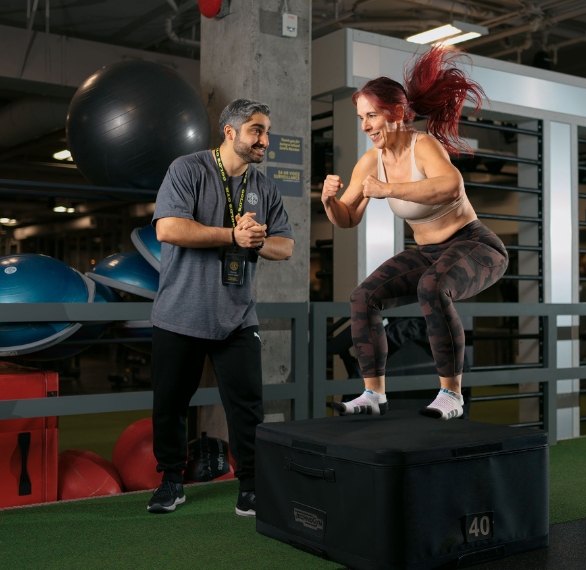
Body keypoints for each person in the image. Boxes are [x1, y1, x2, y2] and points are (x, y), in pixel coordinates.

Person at [322, 47, 508, 420]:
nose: (366, 126)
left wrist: (388, 190)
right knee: (363, 297)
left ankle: (451, 395)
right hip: (427, 252)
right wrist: (329, 202)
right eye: (361, 118)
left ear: (395, 113)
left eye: (371, 116)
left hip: (475, 245)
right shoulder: (369, 162)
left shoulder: (423, 146)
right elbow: (348, 218)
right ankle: (374, 393)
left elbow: (451, 187)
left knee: (432, 287)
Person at [147, 99, 295, 515]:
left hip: (237, 316)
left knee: (248, 406)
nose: (265, 139)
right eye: (256, 130)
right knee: (171, 403)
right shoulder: (188, 169)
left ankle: (250, 486)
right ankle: (171, 481)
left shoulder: (264, 187)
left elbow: (285, 245)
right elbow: (168, 227)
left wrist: (257, 240)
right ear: (229, 132)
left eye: (266, 131)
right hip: (180, 313)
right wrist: (233, 235)